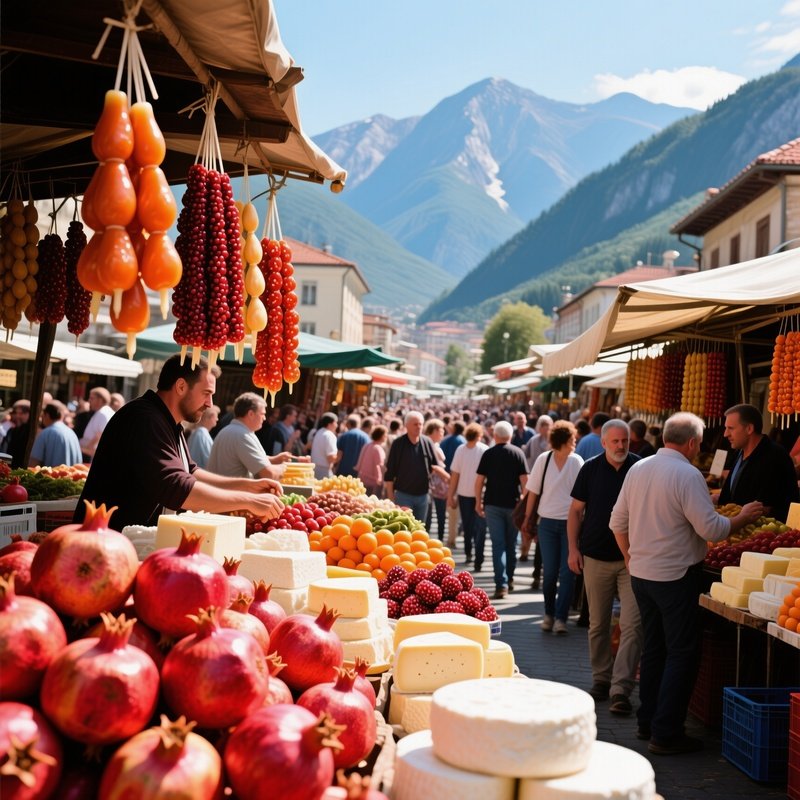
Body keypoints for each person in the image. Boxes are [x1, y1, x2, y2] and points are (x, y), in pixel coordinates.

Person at [610, 412, 764, 755]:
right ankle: (665, 732)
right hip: (676, 577)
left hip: (643, 576)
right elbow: (712, 530)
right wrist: (743, 517)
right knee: (681, 652)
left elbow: (616, 521)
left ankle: (648, 721)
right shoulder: (688, 474)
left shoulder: (638, 469)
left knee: (654, 649)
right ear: (693, 443)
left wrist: (631, 557)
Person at [75, 355, 285, 530]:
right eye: (206, 393)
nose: (210, 403)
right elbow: (175, 486)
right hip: (104, 544)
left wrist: (248, 487)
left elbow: (190, 473)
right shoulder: (144, 418)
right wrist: (248, 501)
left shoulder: (167, 421)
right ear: (181, 386)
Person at [567, 419, 642, 712]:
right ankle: (601, 678)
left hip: (632, 560)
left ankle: (621, 688)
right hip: (595, 557)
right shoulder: (590, 469)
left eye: (625, 441)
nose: (621, 446)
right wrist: (573, 549)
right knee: (597, 624)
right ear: (603, 443)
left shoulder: (640, 468)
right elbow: (574, 511)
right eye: (615, 441)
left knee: (633, 625)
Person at [523, 420, 583, 633]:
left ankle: (561, 618)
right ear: (565, 440)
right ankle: (549, 613)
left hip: (570, 524)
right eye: (573, 439)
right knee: (549, 573)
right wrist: (528, 518)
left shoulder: (576, 462)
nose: (575, 442)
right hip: (546, 523)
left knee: (568, 572)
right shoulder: (543, 459)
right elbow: (533, 491)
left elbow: (582, 496)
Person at [717, 403, 799, 522]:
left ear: (749, 429)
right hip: (737, 530)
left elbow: (772, 506)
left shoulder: (775, 456)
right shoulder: (739, 454)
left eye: (731, 428)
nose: (725, 434)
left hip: (767, 535)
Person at [475, 420, 528, 599]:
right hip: (513, 505)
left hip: (492, 504)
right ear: (510, 436)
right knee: (511, 544)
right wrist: (525, 503)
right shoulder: (518, 453)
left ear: (495, 435)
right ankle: (510, 579)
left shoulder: (488, 454)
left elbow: (479, 481)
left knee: (498, 545)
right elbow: (525, 483)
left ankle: (501, 584)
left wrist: (478, 501)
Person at [207, 393, 292, 479]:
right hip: (232, 491)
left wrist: (275, 459)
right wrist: (287, 467)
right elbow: (268, 473)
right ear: (251, 414)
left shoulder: (230, 430)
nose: (264, 418)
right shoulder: (242, 435)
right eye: (262, 414)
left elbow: (247, 458)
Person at [384, 411, 446, 524]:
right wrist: (390, 497)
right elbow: (390, 473)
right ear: (406, 425)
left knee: (419, 528)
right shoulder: (398, 444)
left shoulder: (427, 442)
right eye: (415, 424)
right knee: (404, 528)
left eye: (420, 424)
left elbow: (435, 466)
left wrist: (449, 480)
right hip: (403, 495)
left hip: (423, 496)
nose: (419, 427)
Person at [448, 422, 488, 566]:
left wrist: (450, 495)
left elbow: (455, 475)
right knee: (480, 527)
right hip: (480, 494)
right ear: (479, 435)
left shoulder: (460, 450)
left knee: (467, 525)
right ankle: (479, 556)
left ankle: (468, 552)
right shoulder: (484, 450)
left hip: (463, 493)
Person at [29, 401, 82, 467]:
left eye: (42, 416)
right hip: (71, 476)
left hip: (50, 476)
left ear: (47, 415)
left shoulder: (45, 433)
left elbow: (34, 463)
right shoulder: (72, 433)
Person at [441, 420, 466, 547]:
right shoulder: (463, 442)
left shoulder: (446, 440)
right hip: (462, 480)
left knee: (452, 512)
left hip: (447, 478)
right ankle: (458, 536)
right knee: (462, 512)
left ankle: (451, 538)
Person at [424, 418, 449, 541]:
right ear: (433, 431)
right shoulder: (428, 444)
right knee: (428, 515)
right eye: (441, 430)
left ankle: (440, 539)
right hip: (431, 485)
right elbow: (433, 467)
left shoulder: (436, 445)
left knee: (440, 514)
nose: (443, 433)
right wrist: (448, 478)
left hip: (439, 487)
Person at [79, 388, 115, 462]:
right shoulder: (103, 412)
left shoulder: (103, 413)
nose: (89, 400)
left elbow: (100, 437)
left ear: (100, 400)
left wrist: (80, 448)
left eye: (92, 398)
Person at [355, 425, 387, 497]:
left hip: (362, 477)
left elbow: (360, 460)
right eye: (385, 435)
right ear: (381, 436)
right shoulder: (378, 448)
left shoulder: (367, 445)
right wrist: (379, 479)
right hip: (373, 481)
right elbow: (378, 465)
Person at [187, 405, 220, 469]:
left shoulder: (197, 432)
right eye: (216, 416)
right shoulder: (202, 434)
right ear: (211, 417)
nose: (217, 419)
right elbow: (210, 461)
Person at [2, 400, 31, 468]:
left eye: (21, 413)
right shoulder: (13, 430)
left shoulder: (31, 432)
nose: (17, 416)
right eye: (16, 413)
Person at [310, 412, 339, 479]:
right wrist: (339, 457)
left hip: (314, 468)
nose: (337, 425)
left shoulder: (319, 432)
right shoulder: (330, 435)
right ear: (329, 424)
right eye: (336, 422)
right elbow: (331, 457)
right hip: (324, 471)